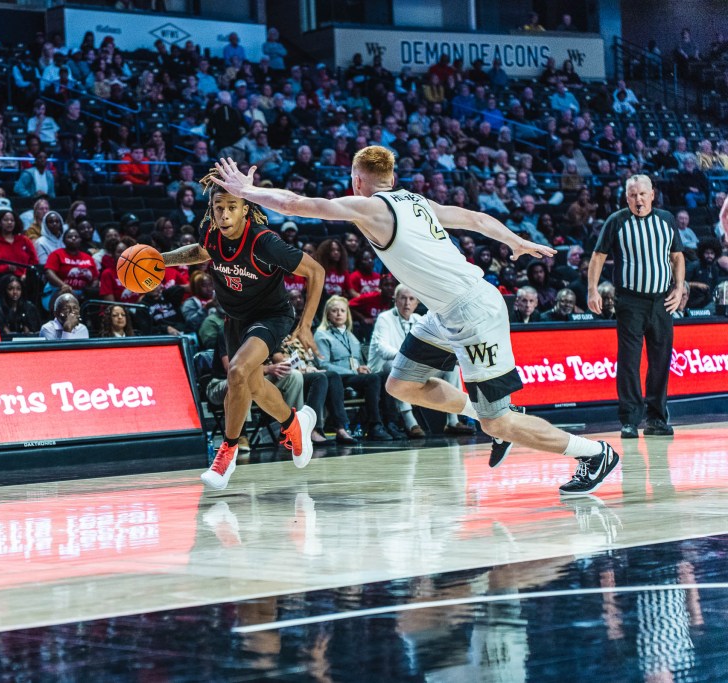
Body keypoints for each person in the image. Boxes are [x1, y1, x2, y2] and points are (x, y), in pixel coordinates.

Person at [213, 149, 621, 495]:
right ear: (392, 177)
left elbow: (296, 204)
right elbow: (476, 219)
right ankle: (486, 418)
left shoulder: (372, 207)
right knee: (400, 384)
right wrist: (512, 239)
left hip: (474, 313)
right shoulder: (417, 202)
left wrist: (245, 192)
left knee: (502, 419)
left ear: (357, 179)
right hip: (446, 312)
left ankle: (593, 454)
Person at [159, 167, 325, 490]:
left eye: (232, 207)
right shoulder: (209, 230)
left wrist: (305, 326)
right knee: (254, 387)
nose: (224, 214)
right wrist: (161, 259)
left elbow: (316, 271)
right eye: (218, 207)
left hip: (272, 315)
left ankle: (227, 453)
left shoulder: (264, 242)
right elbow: (198, 252)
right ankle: (295, 423)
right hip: (235, 319)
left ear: (245, 209)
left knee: (235, 371)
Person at [587, 175, 685, 439]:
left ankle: (656, 419)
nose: (638, 199)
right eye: (632, 195)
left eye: (642, 194)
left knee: (660, 361)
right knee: (629, 362)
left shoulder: (666, 219)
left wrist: (679, 287)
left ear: (653, 194)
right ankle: (629, 420)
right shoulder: (617, 221)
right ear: (626, 197)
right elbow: (598, 256)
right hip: (630, 301)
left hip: (662, 301)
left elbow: (677, 256)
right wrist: (592, 290)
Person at [369, 284, 474, 437]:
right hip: (383, 368)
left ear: (417, 303)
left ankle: (452, 420)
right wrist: (405, 358)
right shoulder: (384, 318)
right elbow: (382, 348)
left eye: (411, 299)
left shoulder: (419, 319)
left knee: (451, 368)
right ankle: (410, 422)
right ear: (395, 300)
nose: (407, 303)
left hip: (413, 367)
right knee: (396, 366)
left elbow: (436, 347)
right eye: (403, 298)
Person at [315, 296, 399, 440]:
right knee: (372, 379)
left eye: (342, 310)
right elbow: (324, 365)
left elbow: (357, 361)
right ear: (327, 314)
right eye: (334, 311)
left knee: (385, 377)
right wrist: (354, 371)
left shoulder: (351, 335)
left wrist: (362, 367)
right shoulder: (321, 335)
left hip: (354, 376)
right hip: (338, 379)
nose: (339, 314)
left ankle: (390, 423)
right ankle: (374, 425)